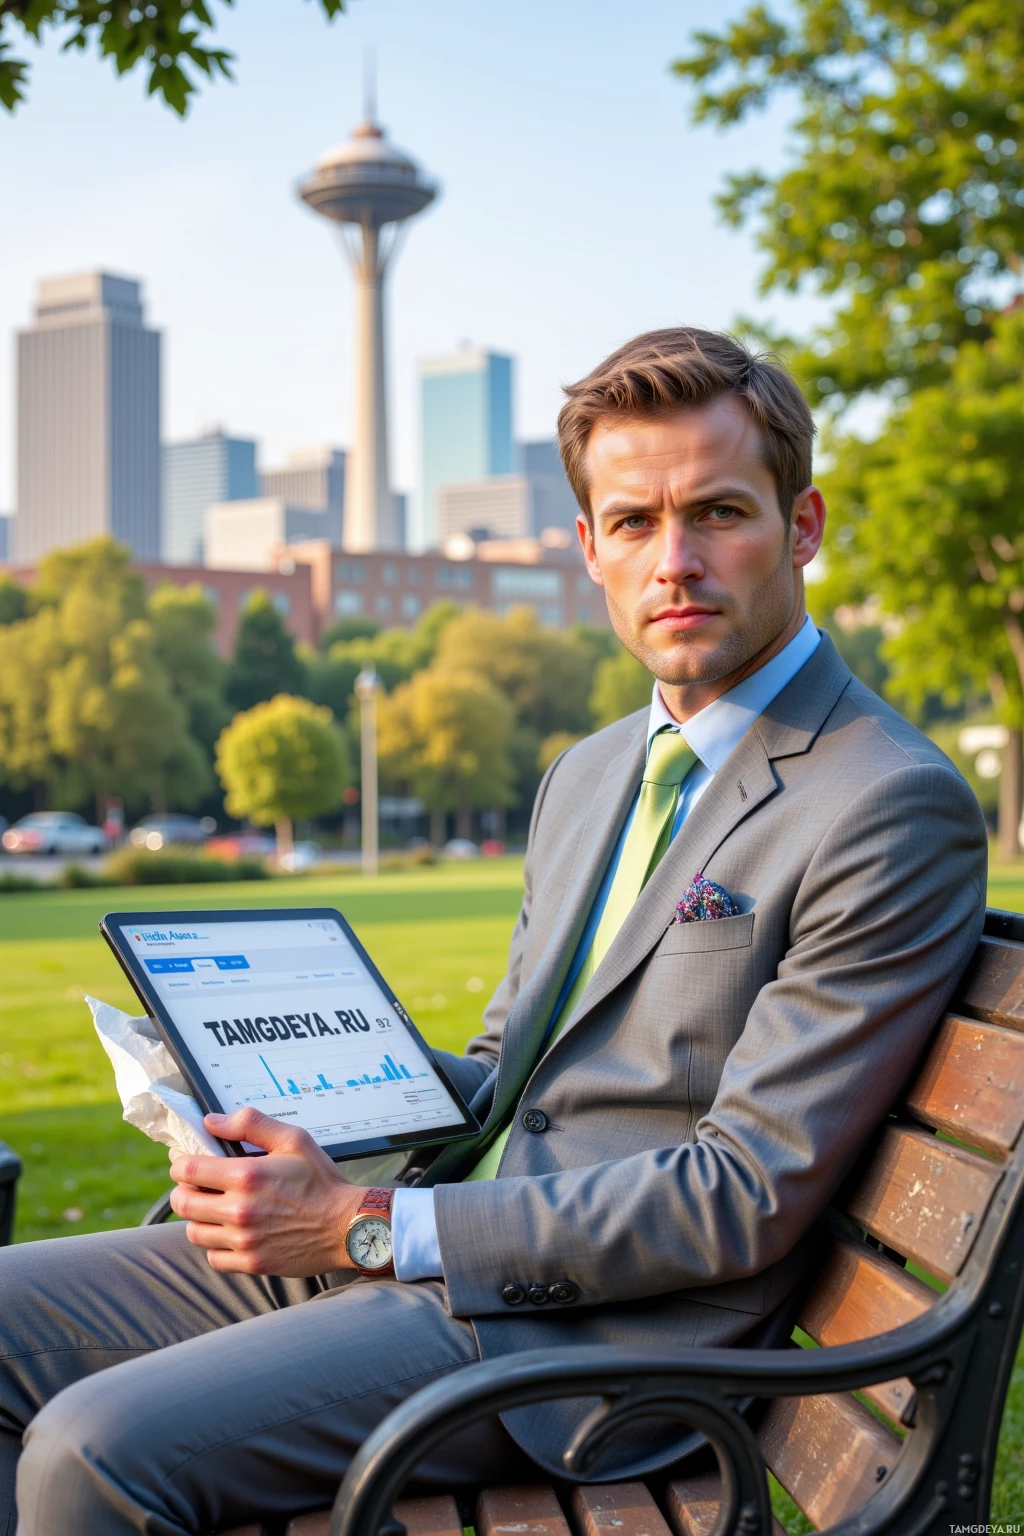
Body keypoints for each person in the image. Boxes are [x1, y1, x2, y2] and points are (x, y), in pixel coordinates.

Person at [0, 329, 987, 1536]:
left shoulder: (883, 800)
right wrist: (298, 1091)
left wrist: (362, 1227)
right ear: (586, 549)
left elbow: (742, 1193)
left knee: (90, 1458)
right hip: (416, 1243)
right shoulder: (590, 773)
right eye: (632, 523)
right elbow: (508, 1072)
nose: (674, 562)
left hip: (582, 1348)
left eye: (718, 512)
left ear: (802, 525)